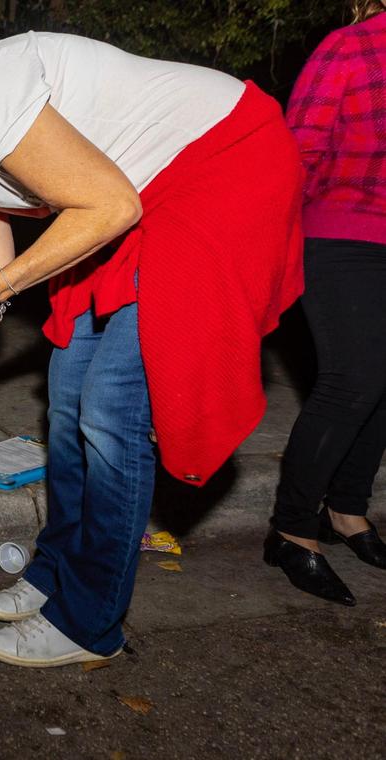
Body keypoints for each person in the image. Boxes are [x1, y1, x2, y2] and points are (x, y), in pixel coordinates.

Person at [0, 35, 304, 667]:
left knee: (111, 409)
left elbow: (106, 207)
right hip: (136, 197)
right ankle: (56, 573)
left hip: (220, 163)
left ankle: (91, 621)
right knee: (68, 398)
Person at [265, 1, 386, 605]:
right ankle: (291, 529)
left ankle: (347, 511)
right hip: (342, 235)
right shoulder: (352, 47)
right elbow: (299, 152)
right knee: (353, 379)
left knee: (383, 384)